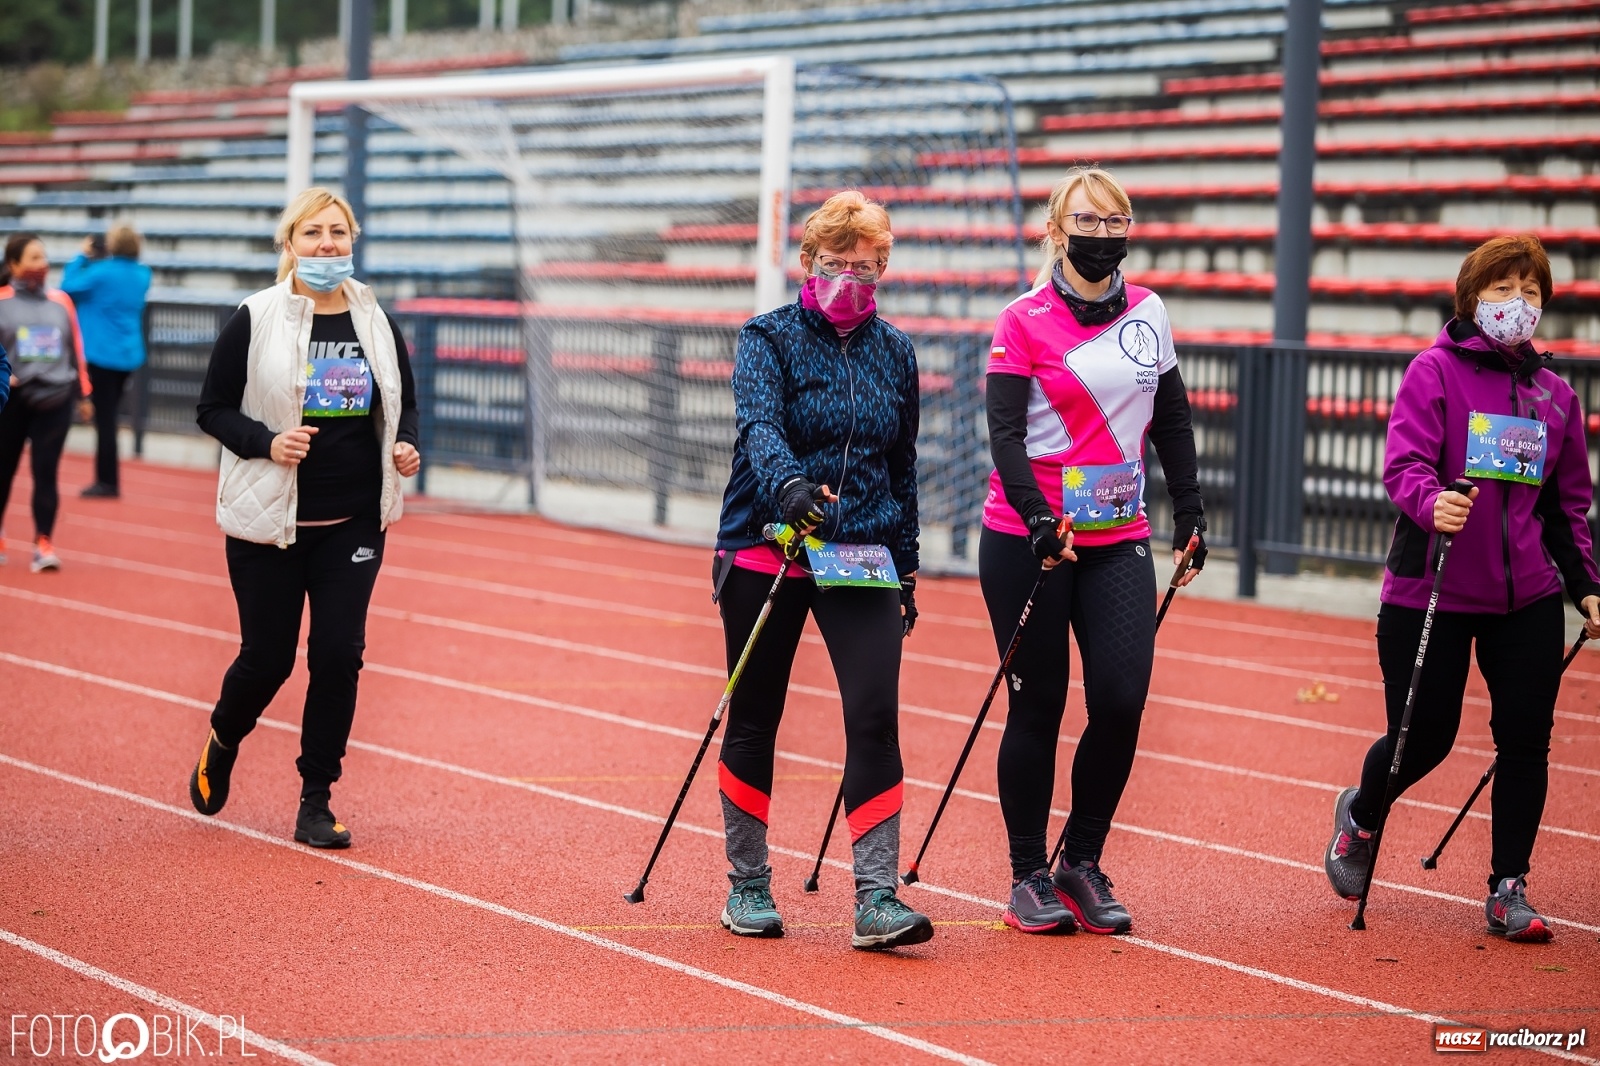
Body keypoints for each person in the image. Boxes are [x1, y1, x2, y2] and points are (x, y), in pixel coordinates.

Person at [1324, 234, 1600, 943]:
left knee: (1526, 742)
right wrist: (1431, 501)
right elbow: (1405, 463)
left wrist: (1586, 587)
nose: (1518, 305)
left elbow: (1568, 507)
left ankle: (1509, 887)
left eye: (1532, 293)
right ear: (1474, 299)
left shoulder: (1556, 395)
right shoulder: (1434, 372)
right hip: (1432, 591)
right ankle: (1361, 817)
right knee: (1424, 739)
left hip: (1528, 597)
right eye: (1505, 290)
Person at [979, 167, 1205, 936]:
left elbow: (1171, 418)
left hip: (1120, 539)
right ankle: (1026, 875)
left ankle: (1081, 857)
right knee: (1038, 703)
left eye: (1116, 222)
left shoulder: (1149, 312)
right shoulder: (1022, 319)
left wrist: (1194, 509)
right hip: (1030, 540)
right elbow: (1006, 438)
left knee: (1119, 699)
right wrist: (1040, 519)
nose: (1103, 235)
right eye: (1088, 221)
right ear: (1056, 228)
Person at [711, 190, 931, 950]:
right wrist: (791, 487)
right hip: (765, 543)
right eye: (837, 266)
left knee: (874, 715)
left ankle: (876, 899)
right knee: (756, 715)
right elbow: (760, 425)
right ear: (807, 264)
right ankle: (747, 884)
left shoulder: (896, 351)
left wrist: (906, 569)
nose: (850, 280)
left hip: (862, 553)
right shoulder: (765, 337)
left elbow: (903, 469)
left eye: (866, 270)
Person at [187, 187, 421, 850]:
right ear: (289, 244)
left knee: (339, 656)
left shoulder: (374, 317)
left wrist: (404, 445)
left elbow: (403, 400)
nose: (327, 245)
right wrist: (267, 442)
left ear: (353, 240)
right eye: (313, 234)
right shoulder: (256, 316)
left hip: (353, 519)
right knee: (267, 660)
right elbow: (211, 408)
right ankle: (224, 737)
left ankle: (315, 799)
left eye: (338, 234)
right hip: (270, 520)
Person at [0, 233, 92, 573]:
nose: (42, 265)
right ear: (14, 265)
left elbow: (75, 348)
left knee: (46, 472)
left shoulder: (61, 302)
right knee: (3, 471)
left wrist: (84, 393)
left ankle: (43, 542)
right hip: (11, 400)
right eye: (34, 258)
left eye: (44, 257)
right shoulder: (1, 300)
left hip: (55, 396)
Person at [61, 223, 152, 498]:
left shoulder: (100, 272)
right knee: (108, 416)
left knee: (106, 420)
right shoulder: (142, 274)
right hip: (128, 353)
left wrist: (81, 256)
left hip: (101, 354)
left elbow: (67, 287)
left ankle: (107, 480)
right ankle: (107, 478)